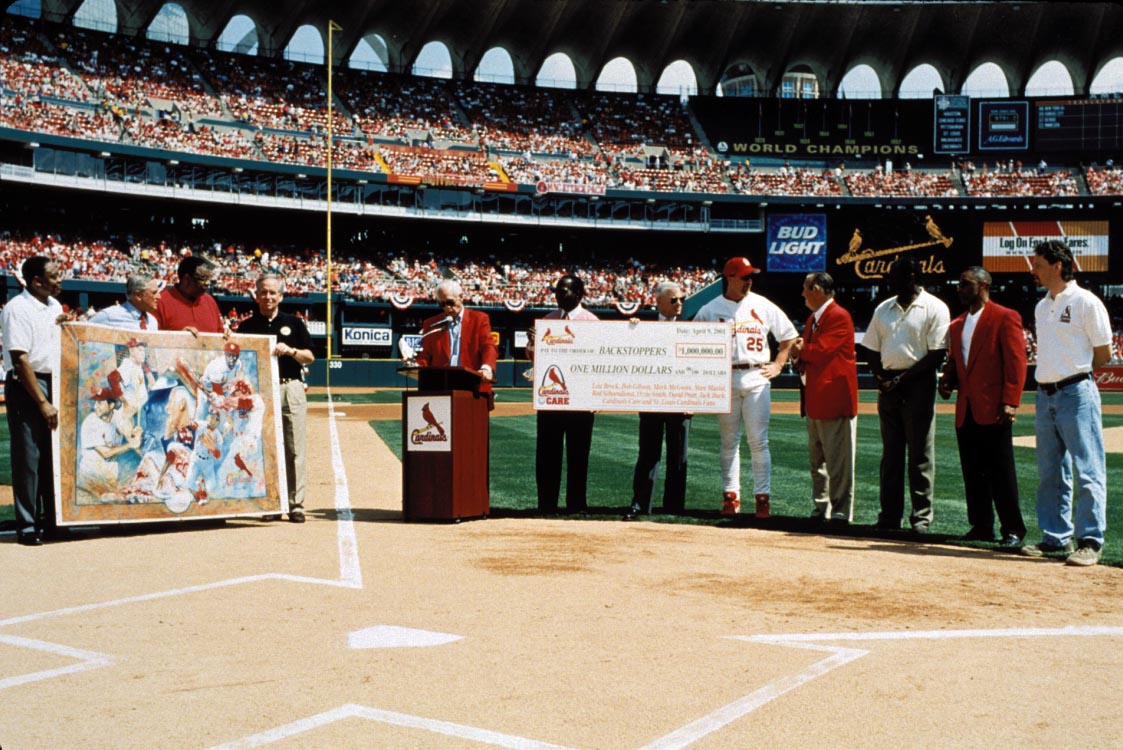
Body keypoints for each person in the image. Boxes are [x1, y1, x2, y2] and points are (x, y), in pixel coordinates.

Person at [1021, 240, 1112, 566]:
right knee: (1050, 472)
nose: (1034, 270)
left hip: (1076, 393)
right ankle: (1055, 537)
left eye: (1039, 265)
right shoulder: (1042, 306)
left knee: (1087, 468)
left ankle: (1090, 540)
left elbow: (1104, 354)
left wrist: (1073, 374)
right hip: (1045, 395)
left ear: (1058, 265)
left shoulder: (1086, 302)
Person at [694, 257, 797, 517]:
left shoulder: (762, 305)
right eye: (743, 276)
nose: (749, 281)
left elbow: (789, 337)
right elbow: (690, 342)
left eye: (751, 277)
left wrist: (778, 365)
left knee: (758, 441)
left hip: (756, 376)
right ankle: (731, 497)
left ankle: (763, 498)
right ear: (729, 278)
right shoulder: (709, 309)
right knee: (729, 442)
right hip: (726, 378)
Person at [938, 267, 1027, 547]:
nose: (960, 289)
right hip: (966, 409)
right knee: (973, 471)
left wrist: (1011, 401)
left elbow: (1016, 362)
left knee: (1001, 471)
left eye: (965, 284)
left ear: (983, 285)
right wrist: (947, 381)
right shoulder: (956, 325)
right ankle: (981, 526)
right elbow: (956, 362)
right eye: (959, 284)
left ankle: (1012, 528)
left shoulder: (1005, 317)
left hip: (995, 408)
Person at [860, 256, 950, 533]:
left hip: (918, 385)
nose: (890, 283)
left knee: (920, 455)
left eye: (895, 278)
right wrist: (880, 377)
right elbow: (871, 349)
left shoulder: (934, 307)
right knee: (891, 455)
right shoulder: (883, 309)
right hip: (889, 384)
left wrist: (900, 379)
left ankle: (921, 518)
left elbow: (936, 354)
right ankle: (889, 516)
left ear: (911, 277)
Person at [238, 274, 315, 523]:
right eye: (263, 292)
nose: (268, 297)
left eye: (272, 293)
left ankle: (296, 504)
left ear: (281, 296)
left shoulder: (294, 323)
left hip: (288, 388)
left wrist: (291, 351)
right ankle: (271, 502)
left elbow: (310, 357)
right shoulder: (247, 326)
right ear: (256, 294)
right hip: (259, 393)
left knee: (294, 448)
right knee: (264, 447)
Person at [2, 256, 64, 545]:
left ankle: (54, 522)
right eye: (53, 276)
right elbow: (21, 358)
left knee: (54, 457)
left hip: (55, 379)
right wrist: (42, 401)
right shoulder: (18, 308)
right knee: (29, 456)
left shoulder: (55, 306)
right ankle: (27, 525)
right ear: (37, 281)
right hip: (29, 383)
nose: (59, 280)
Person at [790, 272, 858, 524]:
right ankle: (821, 508)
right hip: (815, 401)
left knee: (838, 464)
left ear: (817, 289)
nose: (803, 294)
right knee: (817, 462)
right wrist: (797, 355)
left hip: (833, 400)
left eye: (806, 289)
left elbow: (822, 352)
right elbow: (809, 356)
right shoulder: (813, 319)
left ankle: (840, 511)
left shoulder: (839, 316)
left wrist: (799, 350)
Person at [532, 274, 598, 514]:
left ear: (579, 294)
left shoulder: (592, 321)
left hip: (580, 401)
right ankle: (546, 504)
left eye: (565, 291)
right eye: (557, 290)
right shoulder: (547, 320)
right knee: (547, 455)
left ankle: (576, 505)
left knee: (578, 456)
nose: (559, 295)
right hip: (551, 400)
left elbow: (597, 362)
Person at [625, 281, 691, 520]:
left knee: (678, 456)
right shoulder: (642, 326)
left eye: (681, 299)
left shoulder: (691, 327)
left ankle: (674, 507)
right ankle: (641, 503)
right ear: (659, 302)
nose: (679, 304)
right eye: (674, 300)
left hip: (680, 399)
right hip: (651, 398)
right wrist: (631, 332)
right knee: (648, 454)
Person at [415, 280, 498, 408]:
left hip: (472, 383)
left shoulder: (479, 319)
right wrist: (416, 365)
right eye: (442, 304)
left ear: (461, 298)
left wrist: (486, 368)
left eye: (450, 302)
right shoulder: (431, 324)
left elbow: (488, 346)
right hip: (440, 385)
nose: (447, 308)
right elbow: (425, 355)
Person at [155, 256, 224, 334]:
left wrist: (226, 333)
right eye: (202, 278)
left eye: (208, 279)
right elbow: (150, 339)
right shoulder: (160, 301)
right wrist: (178, 338)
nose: (207, 283)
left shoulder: (209, 301)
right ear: (186, 279)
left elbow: (220, 332)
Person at [89, 272, 162, 330]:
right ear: (138, 295)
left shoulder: (152, 322)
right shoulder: (109, 316)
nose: (159, 296)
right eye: (154, 293)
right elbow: (80, 337)